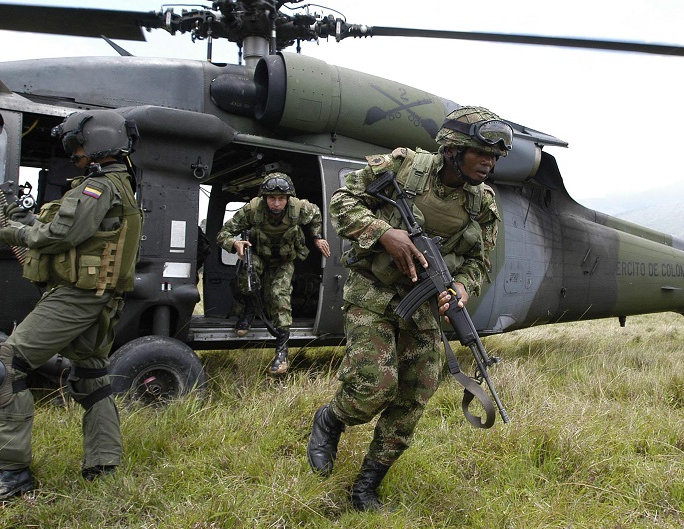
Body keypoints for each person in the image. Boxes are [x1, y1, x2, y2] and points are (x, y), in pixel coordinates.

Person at [307, 106, 511, 511]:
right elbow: (342, 200)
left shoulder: (483, 203)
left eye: (493, 157)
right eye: (479, 153)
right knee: (373, 388)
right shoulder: (404, 167)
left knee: (414, 397)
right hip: (374, 293)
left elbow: (478, 263)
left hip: (424, 309)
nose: (488, 162)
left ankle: (366, 487)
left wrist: (460, 289)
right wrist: (385, 234)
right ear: (453, 149)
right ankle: (330, 420)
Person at [0, 110, 142, 500]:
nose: (76, 154)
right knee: (90, 377)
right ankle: (104, 464)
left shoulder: (99, 187)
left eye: (79, 146)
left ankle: (10, 474)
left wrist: (12, 231)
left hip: (77, 295)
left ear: (97, 144)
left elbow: (61, 234)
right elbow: (70, 228)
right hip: (98, 297)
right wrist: (18, 212)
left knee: (6, 365)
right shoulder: (116, 184)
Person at [217, 172, 331, 375]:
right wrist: (235, 243)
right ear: (264, 197)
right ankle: (249, 309)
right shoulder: (252, 209)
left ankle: (282, 351)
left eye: (281, 198)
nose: (276, 203)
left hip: (285, 260)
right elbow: (223, 234)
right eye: (272, 198)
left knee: (280, 295)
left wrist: (317, 237)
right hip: (260, 256)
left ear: (288, 198)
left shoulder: (299, 207)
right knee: (247, 280)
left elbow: (315, 215)